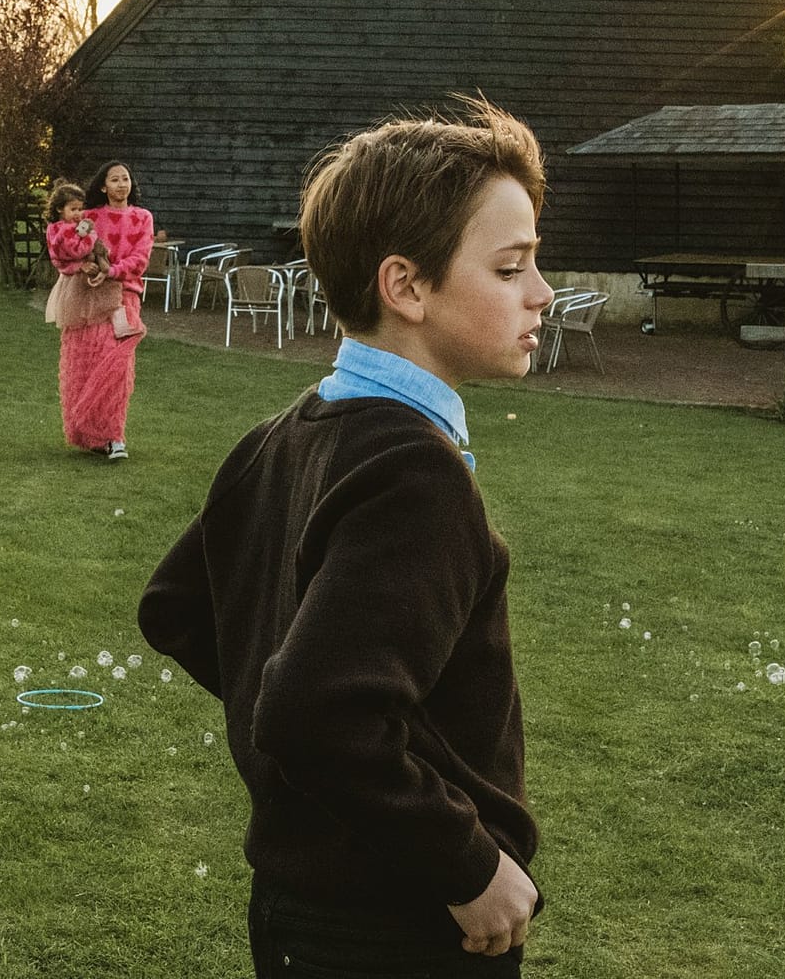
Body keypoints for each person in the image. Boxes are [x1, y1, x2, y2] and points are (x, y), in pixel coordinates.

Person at [139, 103, 551, 976]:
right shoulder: (415, 473)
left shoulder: (284, 435)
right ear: (406, 287)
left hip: (300, 908)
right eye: (510, 267)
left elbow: (178, 611)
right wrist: (467, 863)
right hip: (397, 926)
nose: (541, 292)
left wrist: (310, 749)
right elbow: (315, 710)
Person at [47, 161, 152, 460]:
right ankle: (92, 435)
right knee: (86, 366)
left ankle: (115, 436)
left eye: (125, 179)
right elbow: (62, 250)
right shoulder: (88, 216)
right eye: (114, 180)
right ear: (103, 186)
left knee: (116, 368)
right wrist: (82, 266)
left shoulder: (142, 218)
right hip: (88, 299)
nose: (121, 184)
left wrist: (111, 271)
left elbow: (140, 258)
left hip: (124, 297)